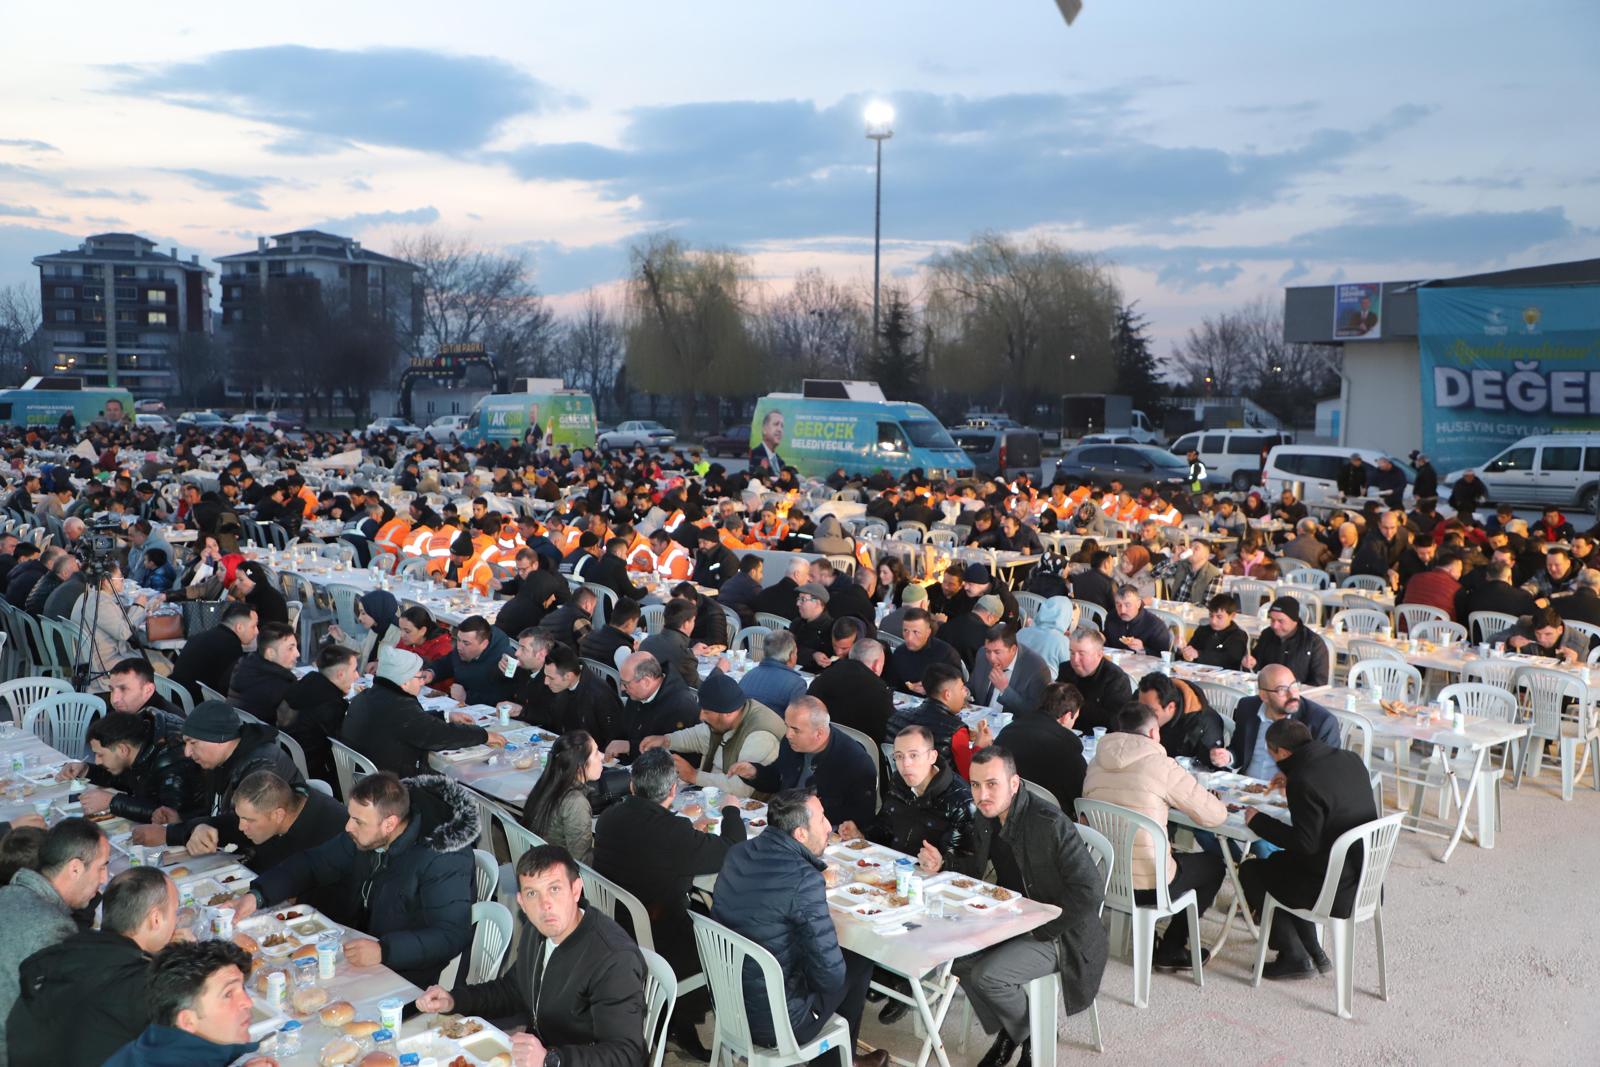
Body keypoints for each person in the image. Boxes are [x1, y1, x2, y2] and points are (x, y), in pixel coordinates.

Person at [234, 771, 477, 989]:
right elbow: (313, 863)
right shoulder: (366, 835)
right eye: (351, 816)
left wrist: (385, 951)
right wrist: (258, 894)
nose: (348, 827)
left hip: (410, 973)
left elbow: (450, 935)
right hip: (360, 945)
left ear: (389, 824)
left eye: (358, 821)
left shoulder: (444, 859)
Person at [414, 844, 649, 1067]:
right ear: (521, 903)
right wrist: (454, 1000)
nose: (545, 905)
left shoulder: (613, 958)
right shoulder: (536, 931)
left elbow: (626, 1054)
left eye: (554, 889)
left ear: (576, 890)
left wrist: (551, 1059)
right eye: (532, 894)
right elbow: (514, 990)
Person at [948, 747, 1107, 1067]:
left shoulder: (1047, 823)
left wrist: (1043, 926)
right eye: (975, 785)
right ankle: (1020, 1030)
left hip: (1063, 931)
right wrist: (944, 862)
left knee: (987, 976)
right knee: (955, 958)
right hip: (1013, 919)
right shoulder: (986, 816)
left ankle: (1032, 1034)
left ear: (1015, 783)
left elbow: (1090, 890)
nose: (982, 794)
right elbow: (973, 869)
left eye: (992, 784)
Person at [712, 789, 888, 1067]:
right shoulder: (804, 879)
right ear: (800, 834)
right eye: (821, 819)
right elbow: (830, 978)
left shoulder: (738, 852)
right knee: (858, 960)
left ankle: (845, 1058)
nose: (829, 826)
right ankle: (838, 1061)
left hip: (728, 1001)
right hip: (776, 1022)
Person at [594, 749, 744, 1060]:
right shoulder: (673, 833)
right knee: (726, 933)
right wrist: (731, 811)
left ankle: (677, 1024)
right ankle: (701, 1026)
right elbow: (733, 849)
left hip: (613, 922)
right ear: (673, 790)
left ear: (632, 786)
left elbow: (657, 844)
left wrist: (690, 833)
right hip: (655, 933)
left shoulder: (609, 818)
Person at [1083, 701, 1227, 970]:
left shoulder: (1096, 762)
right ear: (1152, 733)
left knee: (1163, 849)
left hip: (1104, 875)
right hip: (1149, 885)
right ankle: (1172, 946)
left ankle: (1154, 941)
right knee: (1213, 865)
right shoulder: (1161, 766)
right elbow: (1214, 816)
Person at [1240, 719, 1379, 980]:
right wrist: (1292, 778)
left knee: (1253, 871)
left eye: (1273, 755)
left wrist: (1259, 821)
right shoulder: (1349, 758)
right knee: (1280, 867)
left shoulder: (1303, 779)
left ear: (1281, 753)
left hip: (1333, 888)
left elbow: (1305, 843)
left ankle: (1294, 955)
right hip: (1365, 875)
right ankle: (1314, 951)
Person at [8, 867, 178, 1067]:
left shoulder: (66, 949)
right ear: (155, 919)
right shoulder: (139, 986)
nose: (176, 920)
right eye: (175, 912)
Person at [0, 818, 110, 1065]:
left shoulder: (8, 894)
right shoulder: (52, 927)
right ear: (74, 869)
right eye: (102, 867)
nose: (104, 879)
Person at [130, 701, 303, 854]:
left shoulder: (262, 766)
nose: (187, 752)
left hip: (272, 856)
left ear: (219, 739)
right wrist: (183, 819)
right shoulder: (217, 760)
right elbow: (217, 810)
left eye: (193, 743)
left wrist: (171, 834)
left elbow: (244, 825)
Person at [342, 646, 505, 777]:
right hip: (393, 790)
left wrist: (446, 716)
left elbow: (412, 724)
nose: (421, 683)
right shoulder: (399, 707)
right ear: (404, 682)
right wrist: (483, 735)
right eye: (419, 677)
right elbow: (439, 735)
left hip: (365, 781)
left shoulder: (368, 696)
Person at [102, 940, 258, 1067]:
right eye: (228, 994)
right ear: (187, 1021)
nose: (248, 1002)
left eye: (242, 988)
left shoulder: (154, 1044)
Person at [842, 722, 974, 870]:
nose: (906, 764)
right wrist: (861, 835)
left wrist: (941, 863)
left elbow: (968, 866)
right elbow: (885, 826)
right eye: (899, 756)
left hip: (929, 879)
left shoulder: (961, 801)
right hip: (890, 870)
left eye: (913, 755)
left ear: (932, 756)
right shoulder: (898, 781)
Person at [732, 697, 877, 830]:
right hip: (786, 823)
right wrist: (755, 773)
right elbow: (779, 779)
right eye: (787, 726)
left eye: (795, 730)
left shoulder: (856, 763)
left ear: (819, 733)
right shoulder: (790, 743)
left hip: (825, 832)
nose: (788, 734)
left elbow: (862, 817)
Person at [640, 669, 784, 797]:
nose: (701, 716)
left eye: (707, 712)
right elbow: (699, 736)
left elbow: (741, 788)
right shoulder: (726, 718)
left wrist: (694, 776)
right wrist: (666, 740)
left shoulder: (760, 735)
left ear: (728, 714)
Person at [65, 710, 202, 826]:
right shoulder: (139, 746)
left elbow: (167, 815)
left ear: (123, 749)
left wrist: (112, 802)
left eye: (100, 754)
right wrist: (87, 770)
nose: (96, 760)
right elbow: (120, 775)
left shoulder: (169, 763)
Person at [1213, 664, 1341, 777]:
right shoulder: (1248, 708)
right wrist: (1227, 757)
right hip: (1247, 788)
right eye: (1282, 690)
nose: (1292, 695)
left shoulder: (1320, 722)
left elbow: (1325, 774)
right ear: (1264, 696)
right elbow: (1239, 751)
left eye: (1294, 686)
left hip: (1290, 795)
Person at [986, 681, 1089, 811]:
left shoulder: (1009, 730)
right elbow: (1080, 796)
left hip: (1006, 808)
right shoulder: (1068, 747)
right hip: (1051, 818)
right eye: (1075, 719)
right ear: (1066, 716)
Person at [231, 770, 349, 882]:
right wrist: (213, 828)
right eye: (240, 817)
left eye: (249, 820)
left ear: (278, 815)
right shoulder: (285, 802)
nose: (241, 827)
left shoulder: (330, 834)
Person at [520, 730, 603, 865]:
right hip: (557, 872)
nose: (602, 757)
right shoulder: (576, 802)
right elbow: (581, 862)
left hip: (540, 861)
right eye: (596, 752)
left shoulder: (546, 784)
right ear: (580, 765)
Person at [279, 642, 357, 785]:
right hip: (314, 772)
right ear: (340, 674)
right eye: (354, 671)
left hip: (285, 760)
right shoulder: (331, 705)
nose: (357, 676)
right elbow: (342, 749)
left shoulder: (304, 684)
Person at [607, 651, 701, 762]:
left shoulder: (680, 706)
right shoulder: (637, 694)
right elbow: (624, 728)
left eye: (625, 683)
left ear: (646, 682)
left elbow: (673, 757)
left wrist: (630, 747)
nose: (622, 688)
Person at [807, 638, 896, 746]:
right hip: (863, 754)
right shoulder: (880, 690)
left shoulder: (823, 678)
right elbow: (888, 730)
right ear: (876, 664)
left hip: (818, 747)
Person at [1137, 671, 1228, 767]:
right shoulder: (1143, 699)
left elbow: (1209, 768)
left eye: (1151, 711)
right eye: (1140, 706)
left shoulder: (1204, 723)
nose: (1142, 715)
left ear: (1171, 707)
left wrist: (1216, 758)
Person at [169, 603, 256, 702]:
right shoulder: (231, 646)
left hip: (175, 696)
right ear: (239, 627)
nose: (257, 631)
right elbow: (229, 688)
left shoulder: (203, 635)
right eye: (253, 626)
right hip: (194, 705)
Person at [423, 614, 517, 705]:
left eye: (466, 643)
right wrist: (431, 673)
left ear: (484, 644)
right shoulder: (462, 649)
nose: (459, 647)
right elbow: (448, 662)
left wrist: (466, 697)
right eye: (458, 640)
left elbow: (503, 698)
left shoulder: (503, 660)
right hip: (458, 705)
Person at [539, 644, 624, 745]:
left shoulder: (599, 695)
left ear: (568, 676)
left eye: (551, 678)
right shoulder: (563, 686)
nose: (546, 682)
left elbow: (612, 737)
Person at [1057, 626, 1133, 733]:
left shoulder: (1116, 680)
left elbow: (1116, 722)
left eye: (1081, 654)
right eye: (1072, 653)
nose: (1075, 659)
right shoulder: (1066, 670)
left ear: (1099, 654)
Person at [1242, 597, 1330, 687]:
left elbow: (1319, 682)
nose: (1275, 626)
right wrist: (1250, 664)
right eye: (1272, 620)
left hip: (1298, 695)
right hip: (1267, 691)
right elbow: (1256, 667)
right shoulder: (1267, 634)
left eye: (1280, 621)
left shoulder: (1313, 643)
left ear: (1294, 621)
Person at [969, 623, 1052, 715]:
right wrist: (965, 691)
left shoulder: (1036, 668)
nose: (991, 658)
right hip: (979, 722)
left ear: (1013, 649)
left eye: (997, 652)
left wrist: (1005, 689)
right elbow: (972, 686)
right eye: (988, 651)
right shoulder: (982, 654)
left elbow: (1034, 713)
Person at [225, 621, 299, 722]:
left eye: (296, 647)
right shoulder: (282, 685)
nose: (297, 653)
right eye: (290, 648)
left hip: (236, 725)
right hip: (262, 734)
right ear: (270, 653)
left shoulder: (243, 665)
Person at [883, 608, 963, 695]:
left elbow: (957, 686)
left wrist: (932, 689)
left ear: (928, 632)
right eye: (905, 631)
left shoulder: (945, 654)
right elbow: (891, 684)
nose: (909, 638)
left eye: (916, 632)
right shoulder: (899, 653)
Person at [738, 629, 810, 712]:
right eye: (796, 653)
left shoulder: (748, 675)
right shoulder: (796, 684)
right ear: (791, 656)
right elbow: (797, 718)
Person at [641, 596, 703, 690]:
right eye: (693, 621)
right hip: (671, 701)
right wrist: (719, 670)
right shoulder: (683, 655)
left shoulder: (646, 642)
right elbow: (699, 688)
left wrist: (691, 652)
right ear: (686, 624)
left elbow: (668, 651)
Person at [1177, 592, 1250, 670]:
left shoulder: (1238, 635)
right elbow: (1190, 652)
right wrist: (1182, 650)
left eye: (1219, 617)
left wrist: (1199, 654)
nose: (1213, 621)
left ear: (1232, 616)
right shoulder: (1202, 630)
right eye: (1211, 616)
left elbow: (1228, 659)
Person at [1103, 585, 1173, 655]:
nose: (1122, 610)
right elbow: (1107, 643)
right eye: (1118, 605)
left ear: (1138, 604)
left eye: (1127, 605)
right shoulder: (1111, 617)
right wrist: (1101, 639)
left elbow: (1163, 655)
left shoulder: (1155, 626)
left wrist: (1142, 649)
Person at [1400, 549, 1464, 622]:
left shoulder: (1414, 578)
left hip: (1406, 629)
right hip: (1438, 631)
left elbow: (1399, 602)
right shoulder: (1456, 588)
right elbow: (1461, 617)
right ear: (1451, 570)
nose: (1460, 575)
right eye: (1459, 571)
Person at [578, 596, 639, 669]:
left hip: (586, 678)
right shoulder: (622, 649)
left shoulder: (589, 635)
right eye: (636, 623)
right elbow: (629, 677)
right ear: (629, 623)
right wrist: (635, 654)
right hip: (607, 680)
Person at [787, 582, 837, 669]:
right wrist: (812, 655)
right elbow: (786, 650)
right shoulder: (796, 624)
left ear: (817, 603)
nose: (798, 604)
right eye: (798, 599)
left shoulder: (831, 628)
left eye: (803, 599)